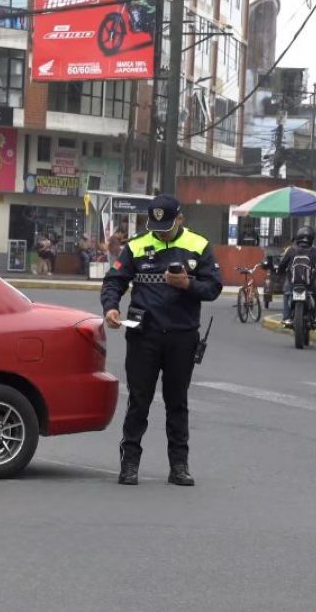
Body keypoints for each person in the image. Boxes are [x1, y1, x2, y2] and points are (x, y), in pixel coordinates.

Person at [101, 194, 222, 487]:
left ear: (180, 219)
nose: (161, 232)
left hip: (182, 334)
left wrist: (188, 284)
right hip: (145, 335)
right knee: (138, 401)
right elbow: (114, 281)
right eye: (156, 226)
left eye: (166, 226)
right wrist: (111, 307)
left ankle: (179, 466)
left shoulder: (198, 245)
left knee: (176, 402)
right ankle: (129, 463)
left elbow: (214, 287)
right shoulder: (136, 246)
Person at [278, 226, 316, 329]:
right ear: (311, 239)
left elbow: (281, 266)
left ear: (298, 238)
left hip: (292, 283)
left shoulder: (291, 251)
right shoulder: (315, 251)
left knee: (287, 294)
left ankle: (287, 318)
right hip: (310, 284)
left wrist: (280, 272)